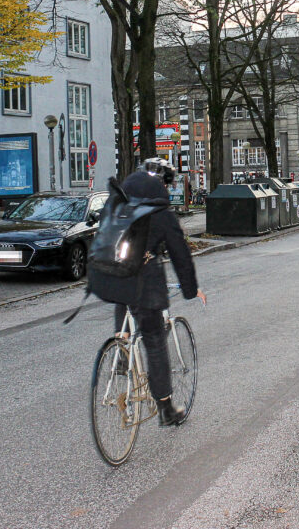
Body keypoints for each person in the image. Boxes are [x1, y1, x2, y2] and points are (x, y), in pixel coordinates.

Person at [89, 157, 206, 426]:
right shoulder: (161, 212)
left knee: (124, 294)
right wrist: (191, 289)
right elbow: (180, 254)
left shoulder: (117, 200)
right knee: (154, 339)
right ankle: (166, 408)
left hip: (109, 276)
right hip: (145, 281)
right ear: (164, 184)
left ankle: (121, 346)